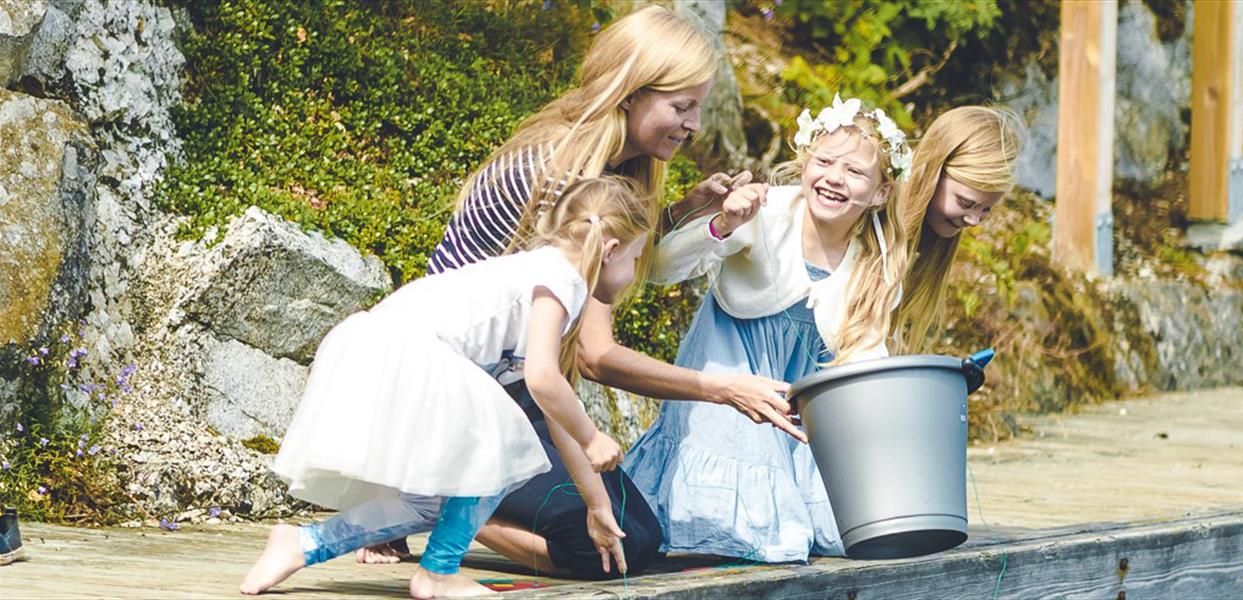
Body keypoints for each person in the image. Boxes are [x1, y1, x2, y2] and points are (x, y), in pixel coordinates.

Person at [359, 6, 802, 579]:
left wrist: (686, 212)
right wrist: (720, 388)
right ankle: (417, 497)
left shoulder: (613, 169)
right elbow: (593, 354)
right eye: (681, 106)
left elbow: (612, 263)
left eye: (699, 106)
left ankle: (440, 494)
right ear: (630, 92)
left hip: (506, 387)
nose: (693, 124)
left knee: (639, 539)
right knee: (601, 553)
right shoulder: (564, 175)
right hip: (447, 395)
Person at [239, 178, 651, 598]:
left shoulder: (539, 270)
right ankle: (439, 569)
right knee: (503, 446)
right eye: (637, 258)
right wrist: (593, 436)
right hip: (417, 353)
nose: (634, 273)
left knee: (427, 502)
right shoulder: (563, 279)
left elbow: (553, 409)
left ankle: (303, 543)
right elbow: (543, 380)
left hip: (385, 347)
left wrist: (598, 506)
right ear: (611, 249)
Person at [622, 95, 913, 563]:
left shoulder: (877, 262)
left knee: (846, 532)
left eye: (855, 172)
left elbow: (865, 356)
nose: (834, 177)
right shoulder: (766, 212)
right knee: (751, 528)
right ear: (804, 164)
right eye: (824, 162)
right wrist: (720, 224)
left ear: (880, 192)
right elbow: (658, 269)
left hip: (802, 409)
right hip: (733, 379)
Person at [891, 106, 1022, 351]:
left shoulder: (928, 243)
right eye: (965, 203)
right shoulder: (873, 225)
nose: (973, 220)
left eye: (986, 210)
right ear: (932, 173)